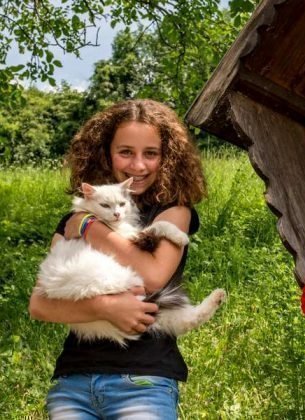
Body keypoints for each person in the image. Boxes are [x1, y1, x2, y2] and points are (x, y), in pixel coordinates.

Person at [28, 99, 207, 419]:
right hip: (74, 381)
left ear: (166, 158)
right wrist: (103, 307)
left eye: (150, 153)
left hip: (142, 382)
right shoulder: (72, 217)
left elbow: (151, 276)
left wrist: (87, 227)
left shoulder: (173, 211)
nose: (138, 165)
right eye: (126, 152)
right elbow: (40, 304)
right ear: (105, 154)